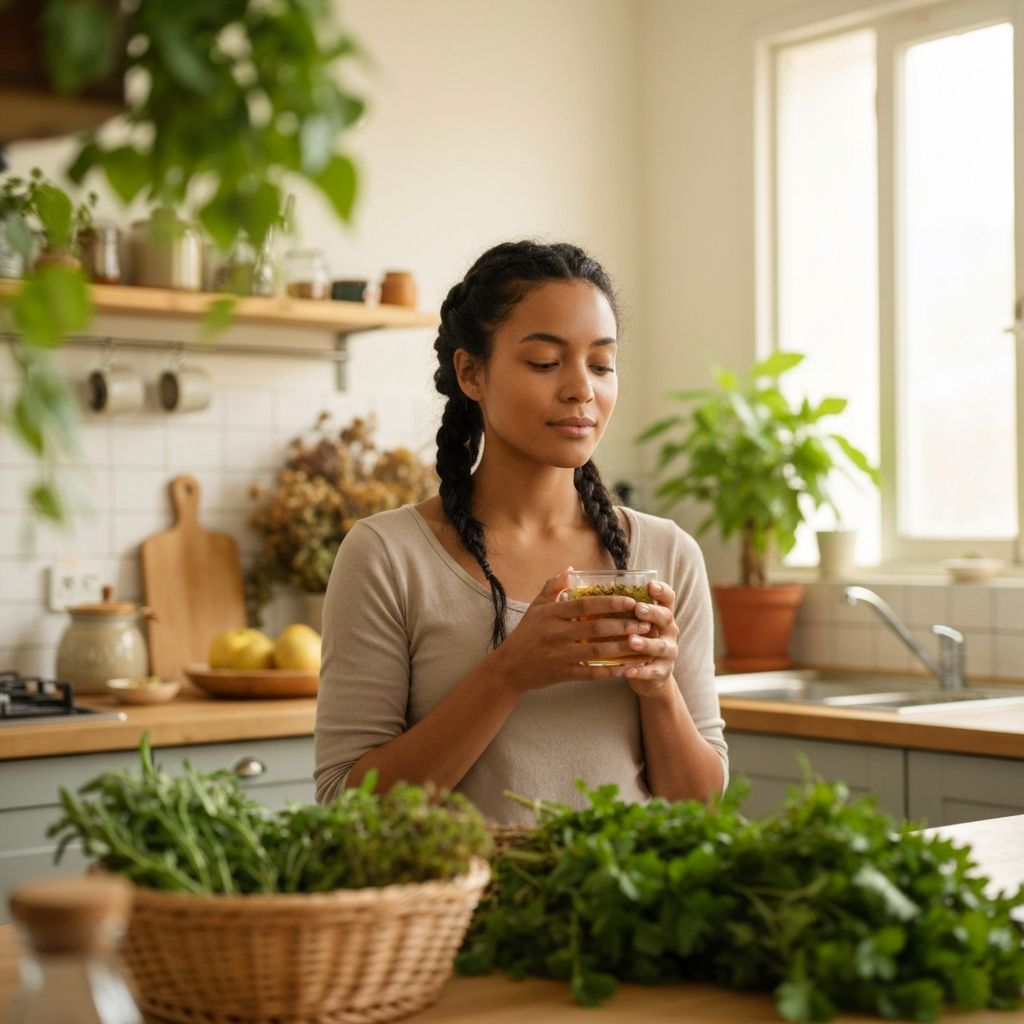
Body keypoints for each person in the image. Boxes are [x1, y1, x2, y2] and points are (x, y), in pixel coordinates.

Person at [314, 240, 728, 823]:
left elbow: (699, 804)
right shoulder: (387, 556)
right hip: (463, 912)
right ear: (471, 372)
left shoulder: (666, 554)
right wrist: (509, 674)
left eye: (602, 364)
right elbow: (347, 804)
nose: (582, 388)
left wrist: (659, 690)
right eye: (545, 362)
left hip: (627, 906)